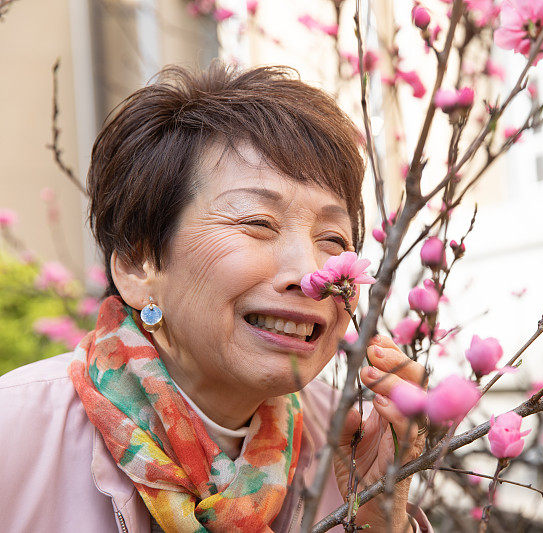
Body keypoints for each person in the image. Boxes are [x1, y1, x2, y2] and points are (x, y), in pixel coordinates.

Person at [0, 63, 431, 532]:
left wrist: (376, 514)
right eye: (258, 224)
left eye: (332, 239)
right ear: (138, 266)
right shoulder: (16, 431)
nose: (311, 274)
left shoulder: (350, 436)